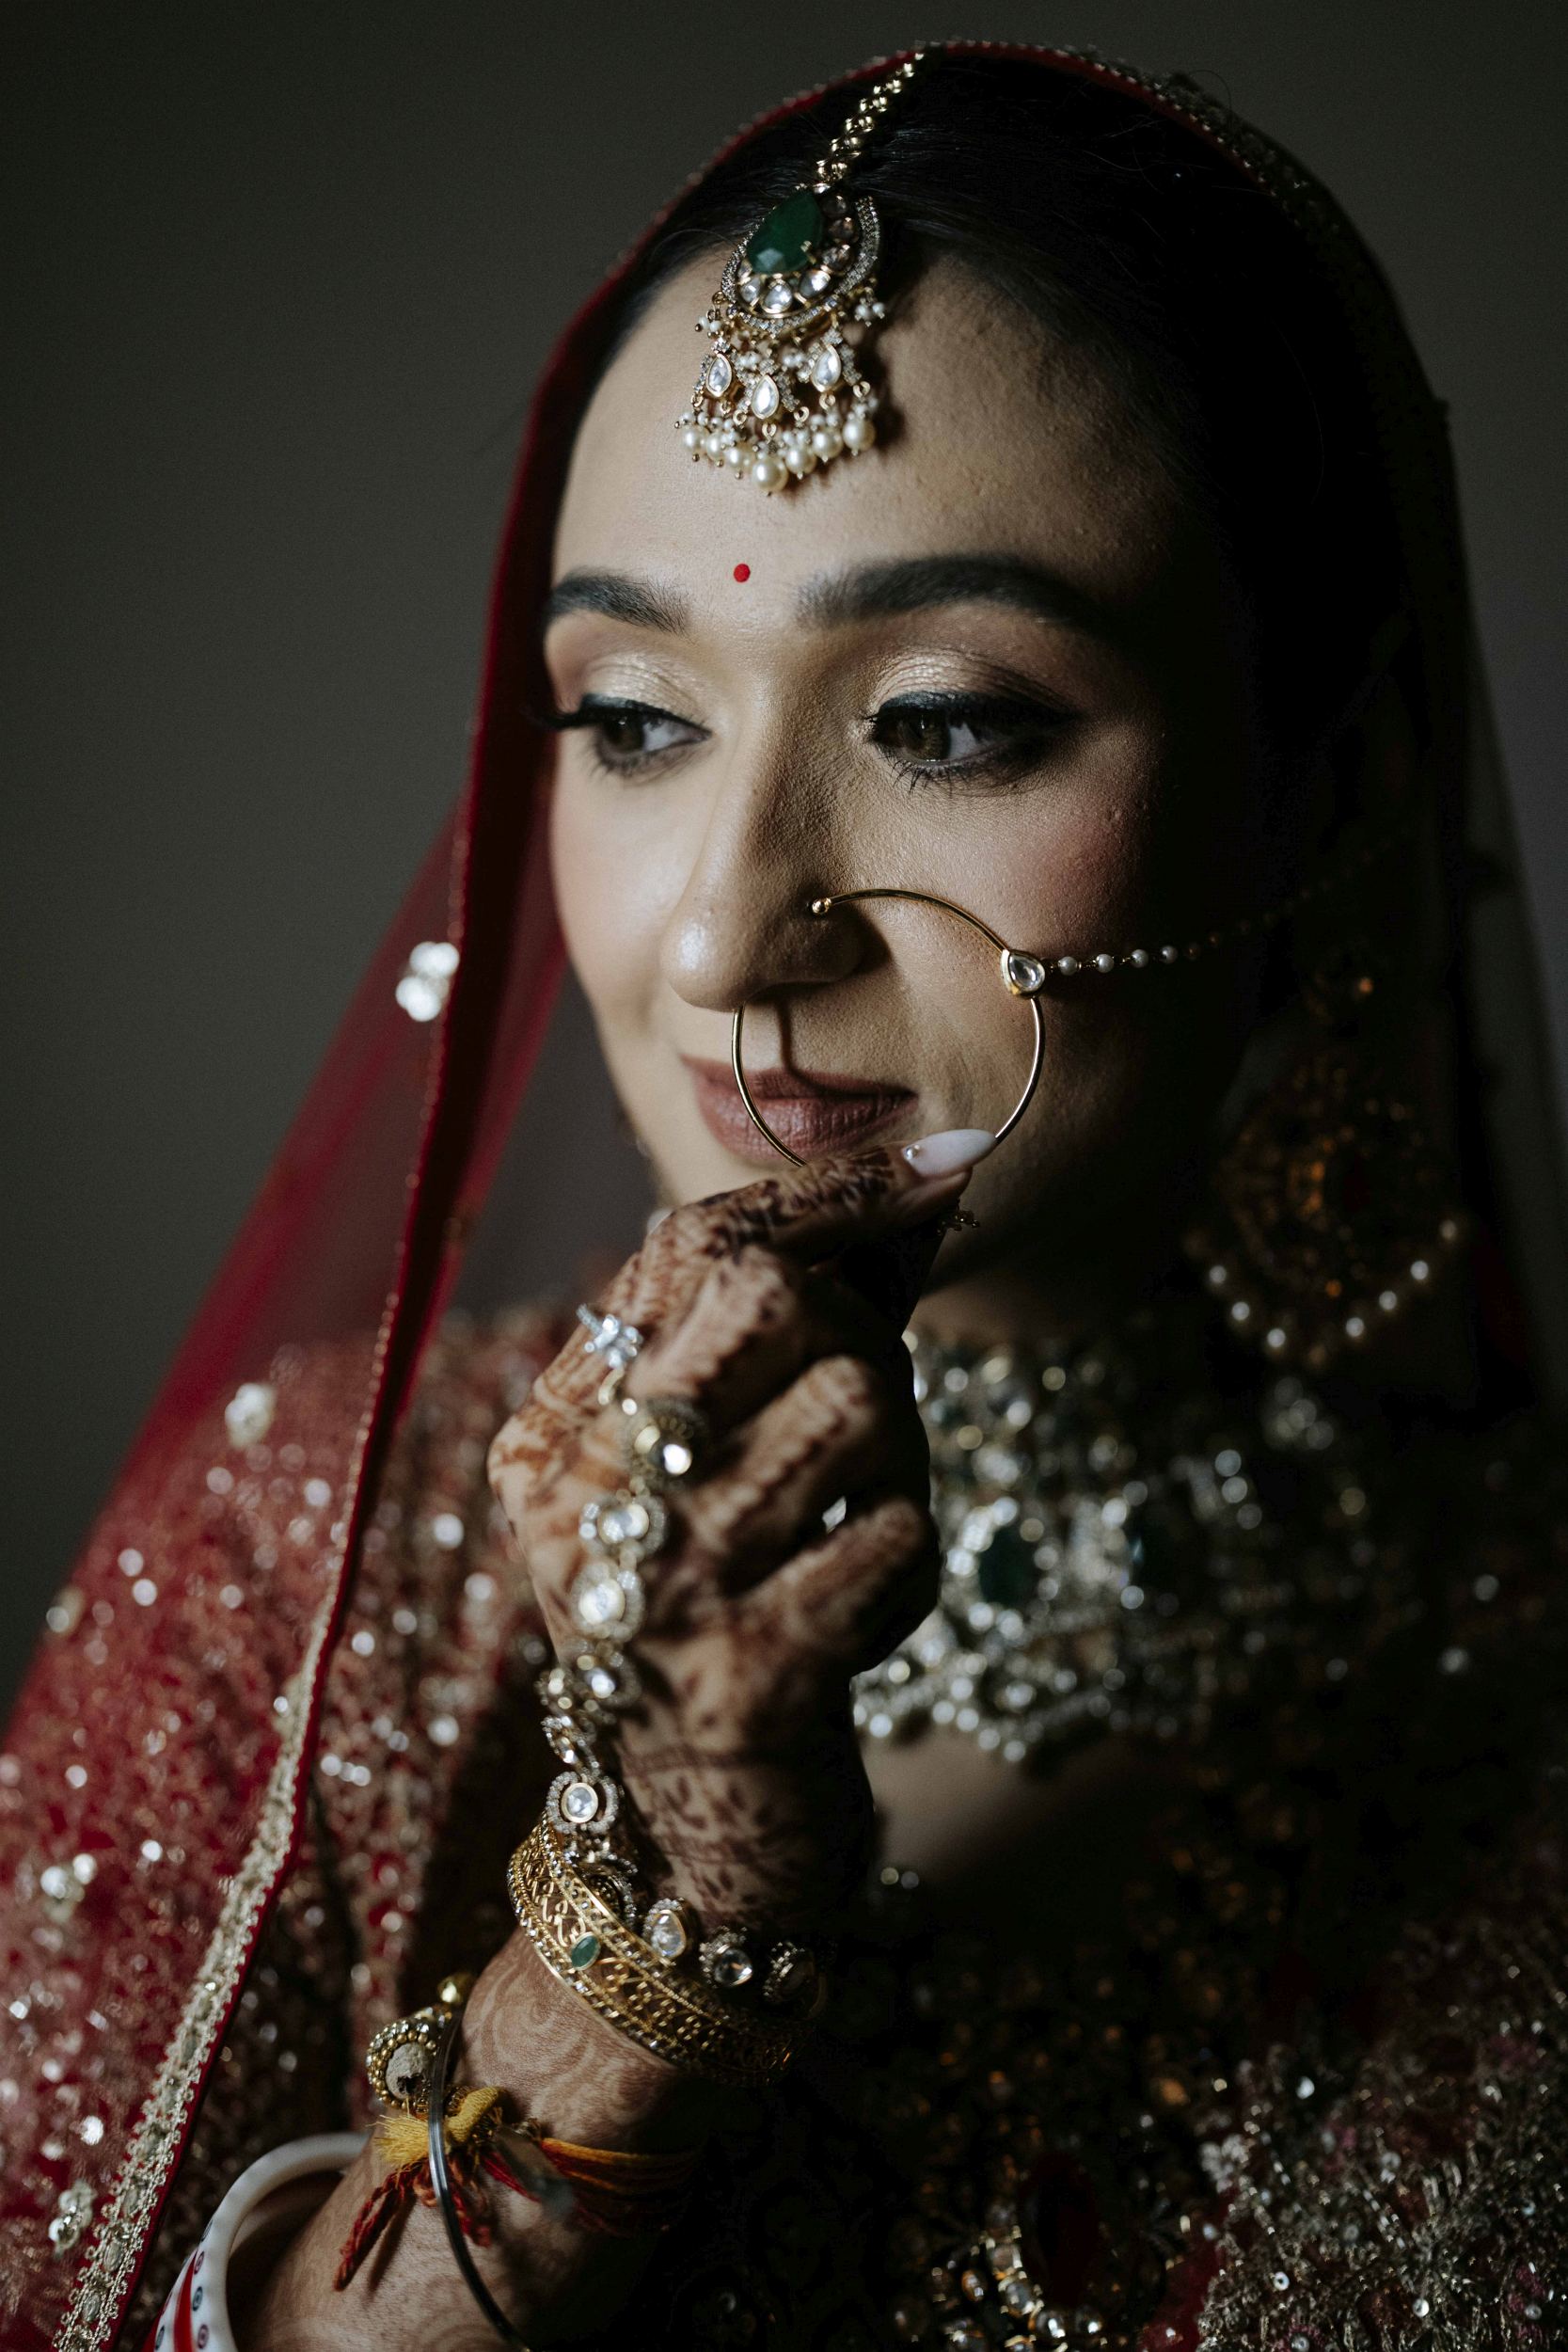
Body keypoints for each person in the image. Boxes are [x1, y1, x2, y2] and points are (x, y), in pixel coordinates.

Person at [5, 41, 1566, 2352]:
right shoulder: (288, 1581)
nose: (732, 935)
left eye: (945, 720)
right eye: (634, 717)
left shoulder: (1510, 1686)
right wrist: (657, 1939)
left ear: (1330, 782)